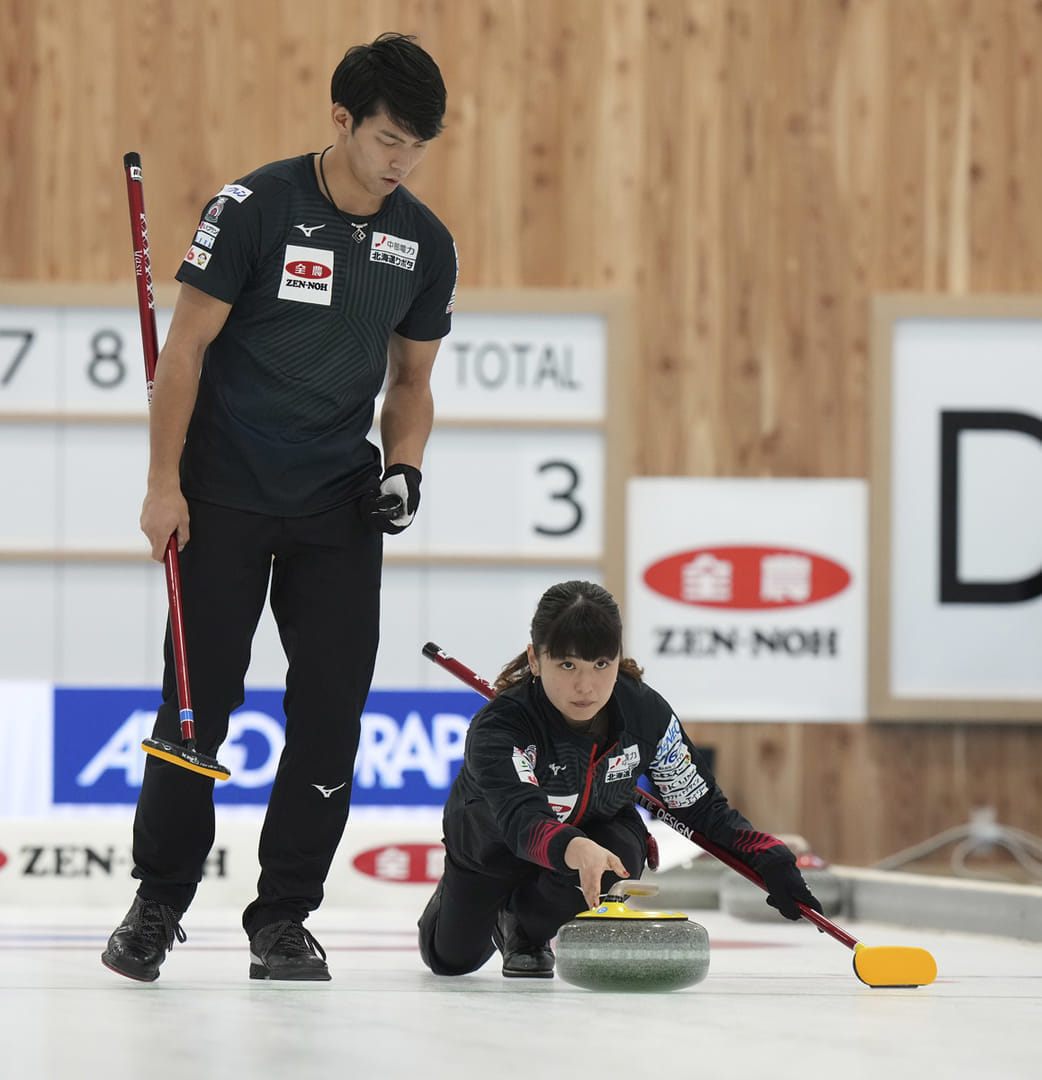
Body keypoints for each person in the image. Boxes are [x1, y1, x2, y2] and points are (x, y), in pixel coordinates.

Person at [101, 32, 457, 983]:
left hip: (338, 510)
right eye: (387, 140)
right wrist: (162, 484)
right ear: (339, 120)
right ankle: (156, 905)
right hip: (221, 497)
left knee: (332, 719)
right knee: (194, 710)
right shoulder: (253, 208)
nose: (401, 163)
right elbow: (182, 355)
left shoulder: (422, 241)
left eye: (417, 147)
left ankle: (284, 917)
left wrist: (404, 468)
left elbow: (412, 383)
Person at [417, 580, 823, 978]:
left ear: (617, 658)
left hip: (595, 832)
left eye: (600, 664)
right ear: (535, 659)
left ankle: (524, 927)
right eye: (567, 664)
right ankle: (473, 906)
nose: (586, 686)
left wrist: (764, 854)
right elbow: (521, 819)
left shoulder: (645, 715)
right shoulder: (500, 726)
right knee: (451, 961)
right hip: (493, 849)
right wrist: (574, 847)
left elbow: (700, 806)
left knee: (616, 861)